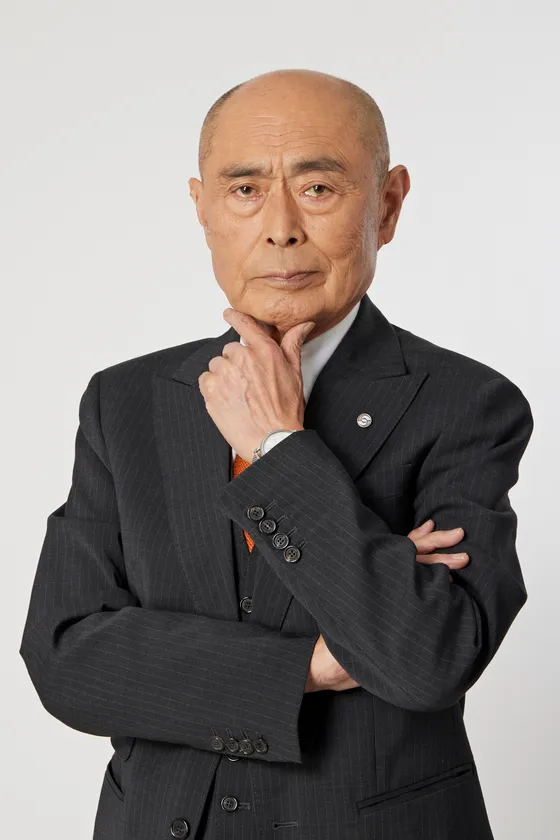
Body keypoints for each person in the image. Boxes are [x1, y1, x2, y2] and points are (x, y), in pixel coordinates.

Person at [19, 68, 533, 840]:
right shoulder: (124, 402)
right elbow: (67, 660)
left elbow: (427, 657)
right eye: (245, 189)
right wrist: (312, 666)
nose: (281, 228)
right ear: (202, 209)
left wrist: (276, 445)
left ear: (388, 204)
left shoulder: (467, 404)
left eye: (319, 188)